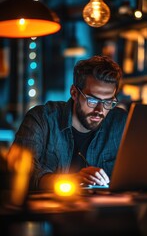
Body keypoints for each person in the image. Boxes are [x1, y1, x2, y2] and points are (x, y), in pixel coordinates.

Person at [8, 55, 128, 191]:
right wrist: (68, 180)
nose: (100, 110)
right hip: (48, 210)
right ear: (74, 93)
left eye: (108, 102)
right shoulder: (42, 118)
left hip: (105, 211)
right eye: (93, 100)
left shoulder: (122, 123)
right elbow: (18, 172)